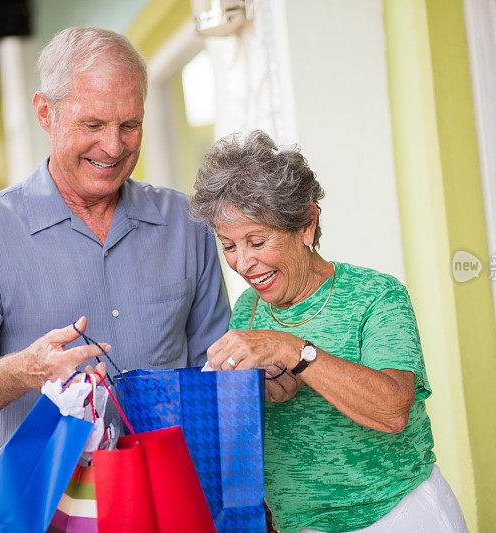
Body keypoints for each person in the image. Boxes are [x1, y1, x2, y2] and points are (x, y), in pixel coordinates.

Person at [0, 27, 230, 454]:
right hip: (50, 508)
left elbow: (218, 374)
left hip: (168, 501)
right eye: (92, 124)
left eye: (130, 124)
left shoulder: (187, 223)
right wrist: (23, 371)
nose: (113, 145)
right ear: (45, 113)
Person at [190, 130, 468, 533]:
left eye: (258, 241)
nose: (243, 263)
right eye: (229, 245)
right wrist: (260, 391)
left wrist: (293, 351)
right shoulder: (249, 310)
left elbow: (393, 410)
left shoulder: (376, 295)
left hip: (398, 514)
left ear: (306, 224)